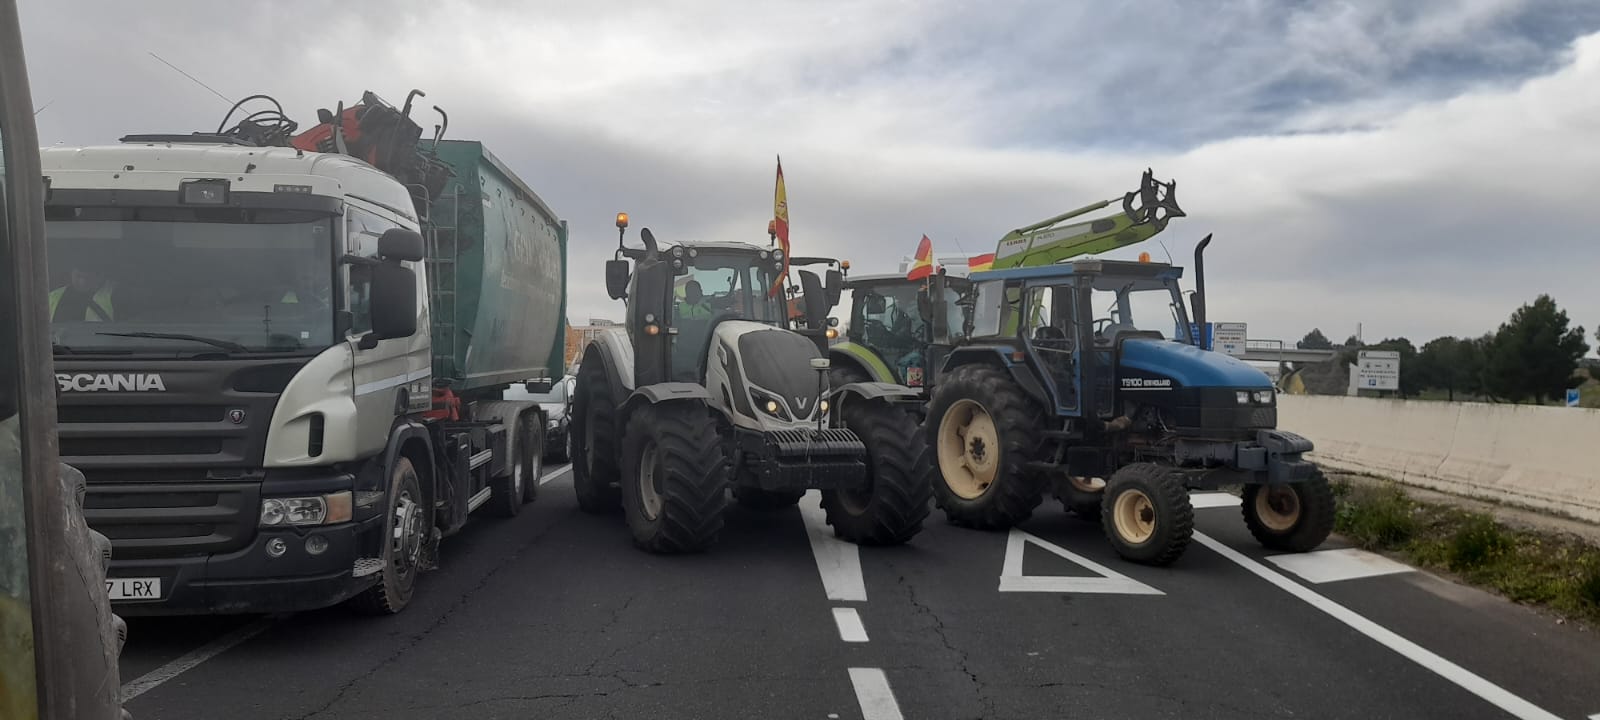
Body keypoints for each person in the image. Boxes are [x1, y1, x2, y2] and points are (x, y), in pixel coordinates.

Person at [47, 263, 114, 322]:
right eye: (78, 276)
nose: (82, 282)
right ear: (71, 273)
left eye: (88, 277)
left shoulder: (114, 296)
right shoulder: (53, 297)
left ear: (100, 276)